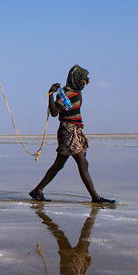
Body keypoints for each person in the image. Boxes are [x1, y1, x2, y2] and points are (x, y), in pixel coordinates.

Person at [29, 64, 116, 204]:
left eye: (85, 80)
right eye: (82, 79)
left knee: (60, 165)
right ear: (75, 79)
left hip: (75, 130)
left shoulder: (75, 92)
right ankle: (95, 197)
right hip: (68, 131)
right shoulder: (65, 94)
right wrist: (50, 95)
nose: (84, 82)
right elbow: (54, 113)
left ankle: (37, 190)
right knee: (82, 164)